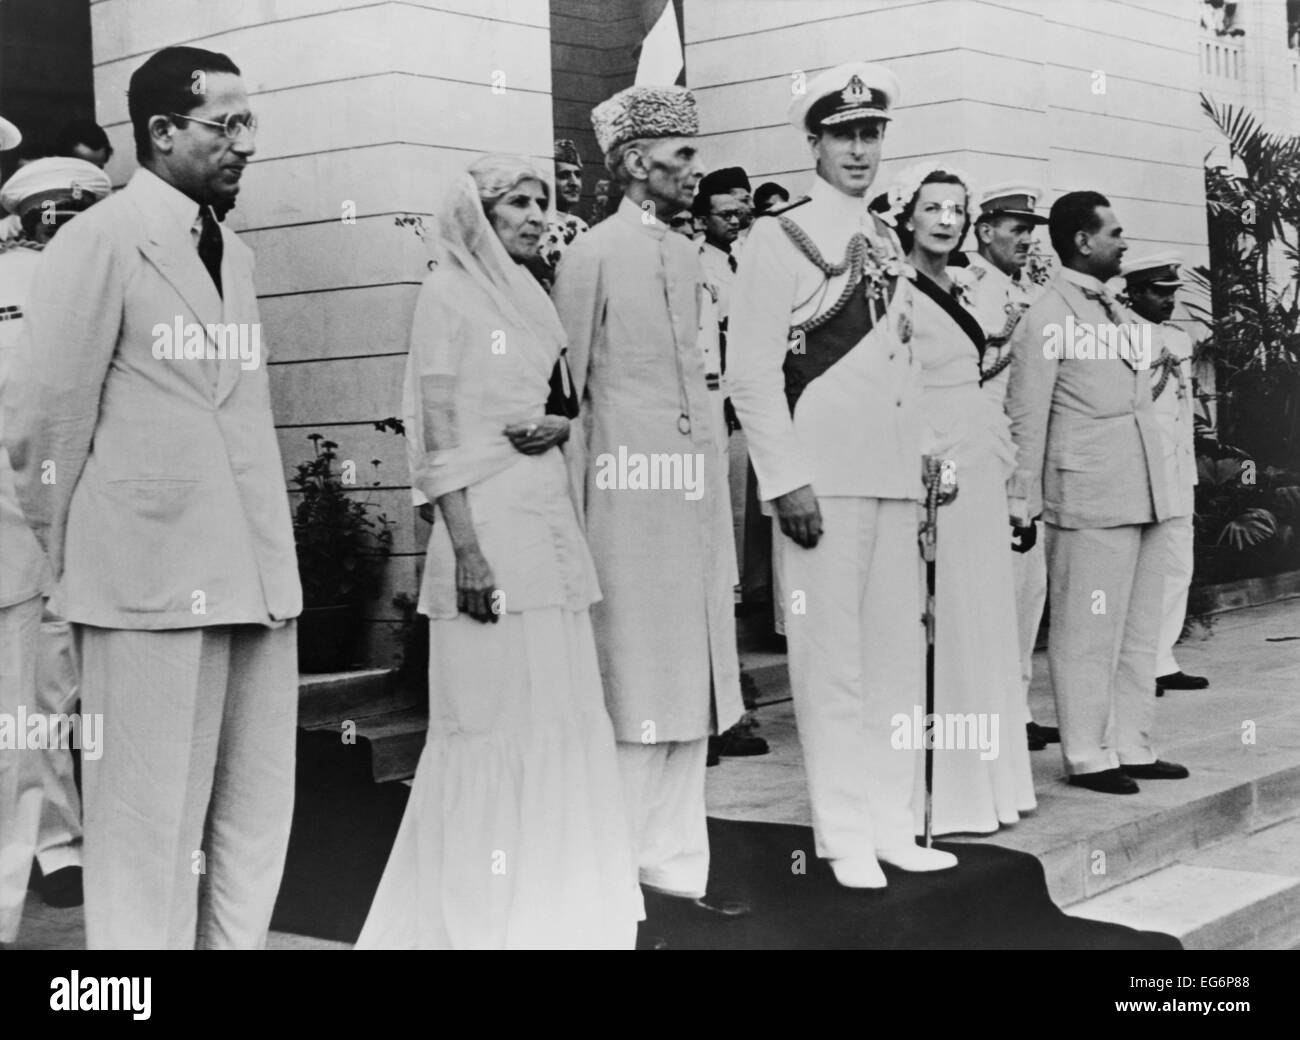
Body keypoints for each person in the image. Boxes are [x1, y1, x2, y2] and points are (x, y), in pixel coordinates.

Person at [5, 46, 302, 948]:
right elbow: (42, 426)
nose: (245, 144)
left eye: (251, 123)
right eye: (228, 124)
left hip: (251, 569)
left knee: (251, 817)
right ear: (163, 131)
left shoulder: (234, 253)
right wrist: (77, 560)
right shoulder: (99, 239)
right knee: (149, 825)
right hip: (144, 581)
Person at [356, 156, 638, 950]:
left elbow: (553, 401)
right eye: (518, 203)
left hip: (545, 520)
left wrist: (561, 426)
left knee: (557, 707)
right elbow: (435, 435)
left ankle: (557, 905)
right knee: (492, 717)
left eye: (542, 202)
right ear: (478, 213)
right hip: (487, 530)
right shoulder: (445, 293)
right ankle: (483, 918)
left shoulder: (529, 292)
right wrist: (468, 552)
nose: (536, 215)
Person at [727, 63, 957, 887]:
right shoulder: (777, 237)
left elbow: (905, 362)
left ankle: (894, 825)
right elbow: (750, 372)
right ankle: (844, 838)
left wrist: (929, 449)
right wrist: (785, 479)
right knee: (832, 666)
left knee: (897, 662)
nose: (860, 149)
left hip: (893, 476)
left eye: (872, 134)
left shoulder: (890, 240)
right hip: (821, 480)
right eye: (843, 135)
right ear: (814, 143)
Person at [551, 84, 748, 925]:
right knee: (634, 682)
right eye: (681, 158)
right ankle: (617, 878)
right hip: (623, 503)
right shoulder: (591, 254)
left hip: (692, 496)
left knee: (690, 682)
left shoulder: (688, 254)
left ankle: (676, 873)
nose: (694, 173)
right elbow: (567, 395)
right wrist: (573, 521)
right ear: (635, 164)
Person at [1006, 191, 1189, 795]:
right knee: (1088, 631)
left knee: (1138, 631)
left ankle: (1132, 743)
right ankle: (1087, 753)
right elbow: (1028, 416)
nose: (1123, 243)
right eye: (1114, 233)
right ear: (1083, 241)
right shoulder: (1047, 315)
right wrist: (1021, 500)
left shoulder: (1118, 311)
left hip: (1144, 490)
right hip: (1086, 496)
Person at [882, 163, 1036, 835]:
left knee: (981, 617)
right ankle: (939, 795)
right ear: (907, 216)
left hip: (976, 460)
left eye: (956, 209)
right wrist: (916, 458)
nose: (945, 219)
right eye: (932, 208)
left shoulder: (970, 290)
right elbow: (885, 385)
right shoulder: (891, 292)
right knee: (935, 624)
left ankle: (988, 786)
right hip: (927, 467)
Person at [0, 157, 111, 918]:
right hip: (40, 516)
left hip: (40, 517)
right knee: (43, 690)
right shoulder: (44, 285)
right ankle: (53, 847)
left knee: (39, 692)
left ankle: (56, 844)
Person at [965, 182, 1059, 752]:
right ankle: (994, 710)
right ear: (984, 231)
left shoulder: (1031, 295)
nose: (1026, 239)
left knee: (1028, 593)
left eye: (1031, 230)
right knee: (994, 596)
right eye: (1015, 228)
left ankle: (1018, 705)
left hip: (1030, 458)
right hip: (988, 458)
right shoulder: (968, 290)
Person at [1120, 252, 1207, 695]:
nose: (1168, 301)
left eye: (1172, 293)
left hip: (1177, 472)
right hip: (1140, 472)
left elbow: (1183, 411)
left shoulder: (1179, 341)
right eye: (1158, 292)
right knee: (1137, 571)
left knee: (1177, 566)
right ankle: (1133, 665)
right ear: (1134, 292)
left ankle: (1161, 658)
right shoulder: (1117, 336)